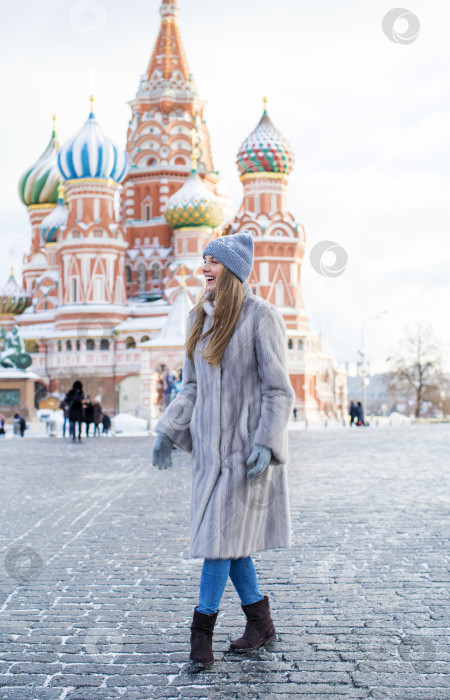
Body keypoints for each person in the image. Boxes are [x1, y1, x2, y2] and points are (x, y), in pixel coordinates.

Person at [152, 231, 295, 673]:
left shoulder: (260, 317)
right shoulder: (199, 318)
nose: (204, 268)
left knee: (218, 542)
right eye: (204, 260)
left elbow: (278, 390)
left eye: (213, 261)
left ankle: (201, 635)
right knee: (229, 543)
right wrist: (167, 430)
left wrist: (267, 444)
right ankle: (261, 623)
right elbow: (190, 387)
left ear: (232, 269)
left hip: (246, 457)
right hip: (209, 459)